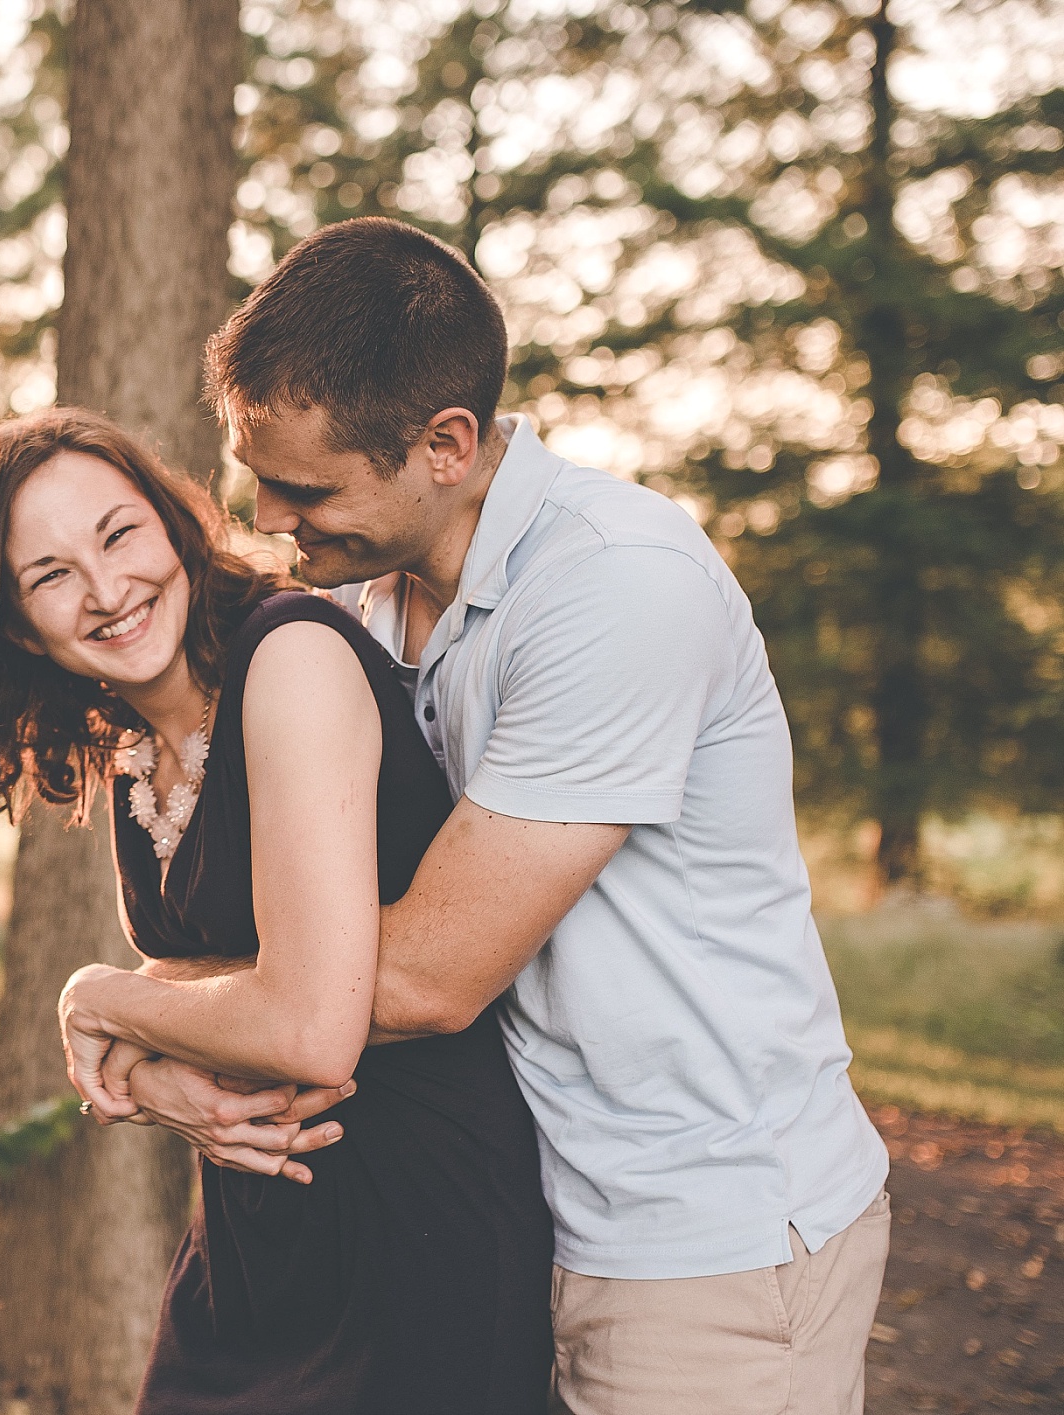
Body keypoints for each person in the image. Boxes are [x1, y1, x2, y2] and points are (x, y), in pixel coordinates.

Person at [61, 217, 891, 1415]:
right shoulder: (372, 602)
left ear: (446, 444)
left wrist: (111, 1005)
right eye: (256, 473)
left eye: (305, 486)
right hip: (525, 1214)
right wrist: (187, 1040)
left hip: (700, 1239)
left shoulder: (615, 586)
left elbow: (409, 980)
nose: (272, 515)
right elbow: (315, 964)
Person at [0, 407, 554, 1413]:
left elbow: (309, 1028)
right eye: (51, 575)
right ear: (13, 623)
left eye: (119, 534)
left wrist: (98, 998)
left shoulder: (291, 656)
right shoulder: (132, 740)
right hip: (256, 1237)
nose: (106, 590)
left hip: (417, 1232)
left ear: (175, 525)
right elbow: (230, 984)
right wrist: (154, 1067)